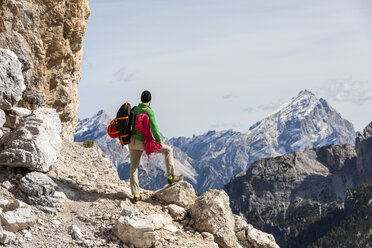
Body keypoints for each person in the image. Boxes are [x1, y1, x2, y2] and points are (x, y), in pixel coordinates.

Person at [128, 90, 183, 202]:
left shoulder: (135, 109)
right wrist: (159, 141)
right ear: (150, 100)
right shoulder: (149, 111)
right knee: (168, 150)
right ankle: (171, 177)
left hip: (132, 142)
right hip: (144, 143)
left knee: (133, 168)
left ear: (141, 99)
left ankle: (136, 195)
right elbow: (154, 128)